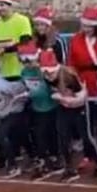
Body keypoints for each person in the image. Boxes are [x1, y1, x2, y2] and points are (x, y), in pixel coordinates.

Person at [67, 6, 97, 174]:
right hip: (83, 83)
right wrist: (74, 84)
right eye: (84, 26)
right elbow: (71, 63)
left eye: (90, 26)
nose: (86, 29)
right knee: (86, 125)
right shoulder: (76, 39)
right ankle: (89, 155)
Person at [41, 49, 88, 183]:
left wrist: (64, 99)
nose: (48, 75)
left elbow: (82, 98)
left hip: (79, 108)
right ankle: (69, 168)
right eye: (45, 73)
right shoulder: (47, 78)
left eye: (51, 72)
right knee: (63, 137)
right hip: (64, 108)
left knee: (86, 136)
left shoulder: (69, 76)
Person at [18, 43, 60, 179]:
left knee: (51, 133)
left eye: (29, 60)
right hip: (36, 108)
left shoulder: (43, 71)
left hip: (50, 107)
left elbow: (43, 88)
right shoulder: (24, 72)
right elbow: (25, 85)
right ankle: (42, 158)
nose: (27, 64)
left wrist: (28, 94)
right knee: (38, 134)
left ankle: (54, 157)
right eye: (24, 61)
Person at [0, 57, 29, 179]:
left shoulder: (1, 83)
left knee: (2, 135)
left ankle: (13, 165)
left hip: (14, 111)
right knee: (15, 136)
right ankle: (7, 159)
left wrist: (17, 101)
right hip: (2, 112)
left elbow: (19, 92)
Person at [0, 0, 33, 80]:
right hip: (3, 73)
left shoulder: (22, 20)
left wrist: (3, 49)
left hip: (22, 72)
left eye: (2, 5)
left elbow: (25, 43)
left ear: (10, 5)